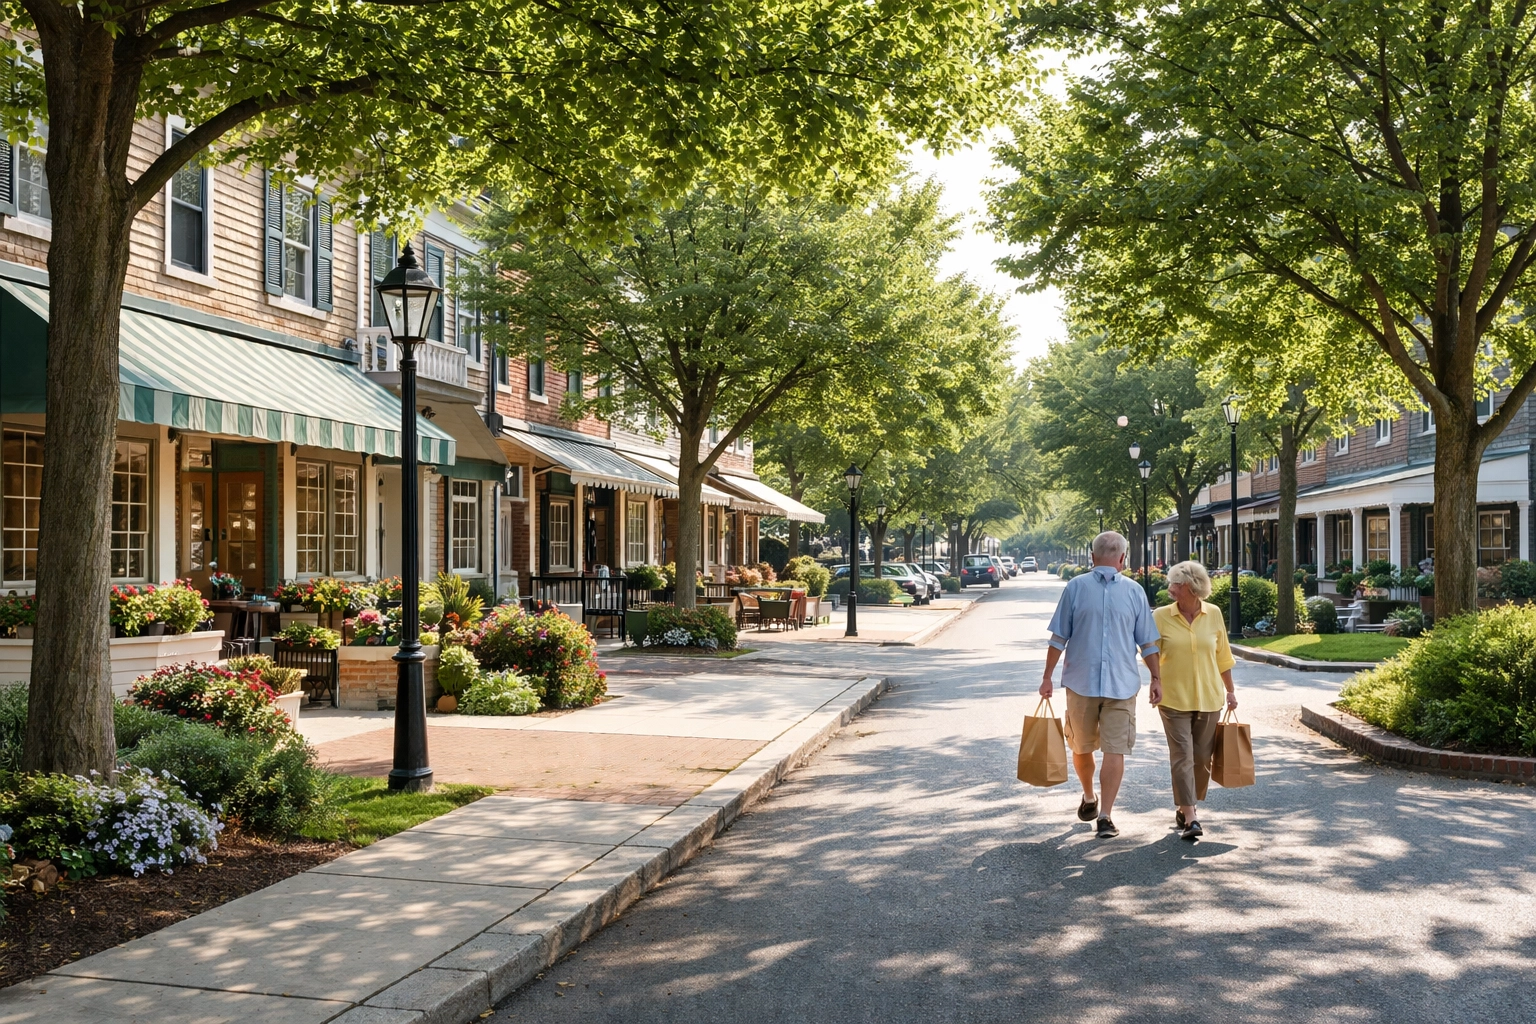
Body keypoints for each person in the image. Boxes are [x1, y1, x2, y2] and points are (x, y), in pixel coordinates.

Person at [1039, 531, 1161, 839]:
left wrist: (1047, 677)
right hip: (1109, 682)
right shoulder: (1132, 591)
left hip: (1093, 684)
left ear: (1092, 557)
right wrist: (1156, 679)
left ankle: (1098, 806)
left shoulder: (1078, 587)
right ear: (1123, 558)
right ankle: (1097, 806)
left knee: (1093, 748)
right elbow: (1148, 644)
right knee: (1101, 749)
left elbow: (1058, 638)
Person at [1151, 560, 1238, 841]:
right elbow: (1151, 653)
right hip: (1173, 699)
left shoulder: (1214, 614)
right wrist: (1155, 680)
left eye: (1175, 584)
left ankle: (1185, 805)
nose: (1170, 588)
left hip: (1209, 698)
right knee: (1182, 756)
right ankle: (1191, 817)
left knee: (1201, 759)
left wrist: (1230, 691)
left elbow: (1223, 656)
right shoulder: (1161, 616)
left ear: (1190, 587)